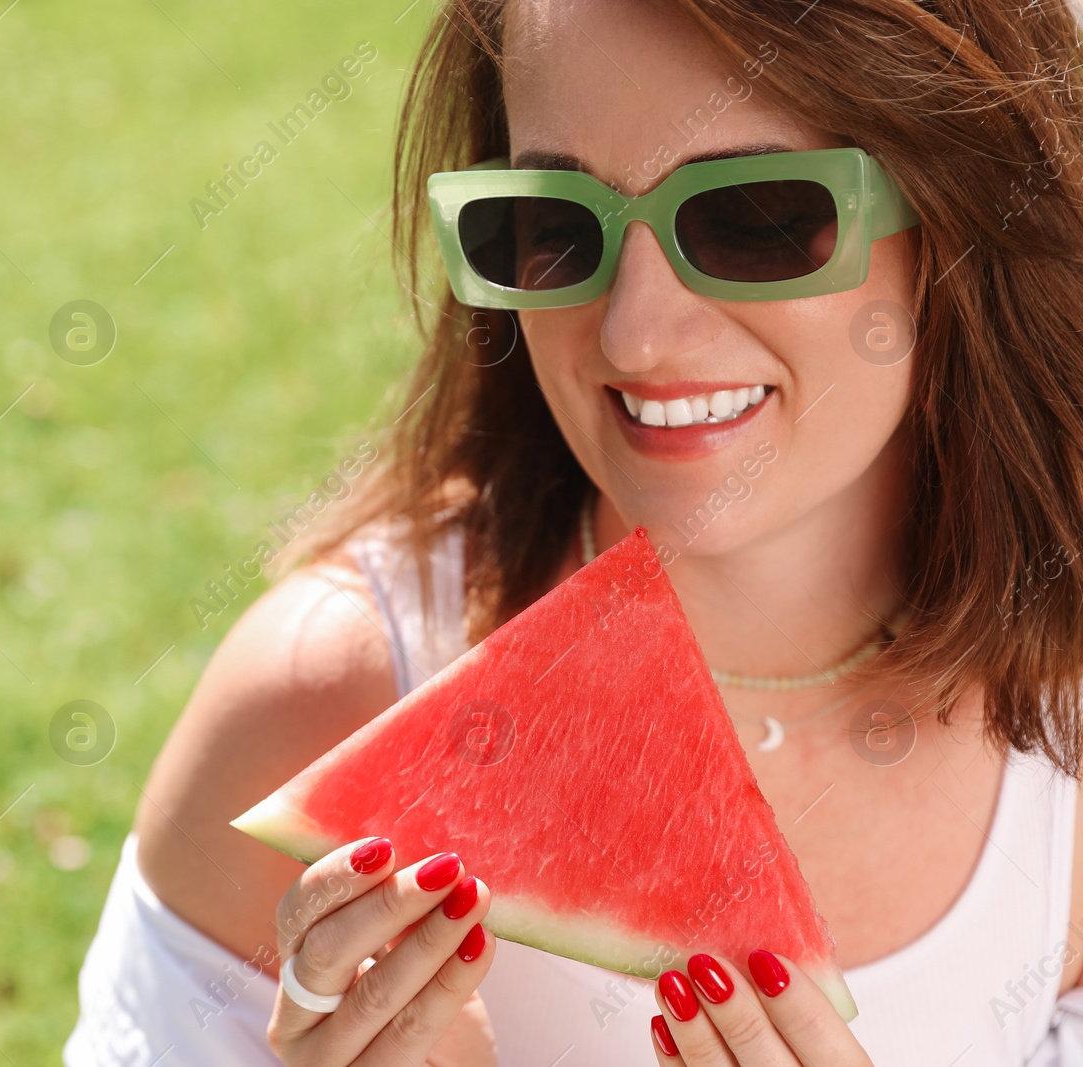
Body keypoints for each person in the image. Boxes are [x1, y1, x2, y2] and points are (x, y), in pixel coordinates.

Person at [65, 0, 1083, 1062]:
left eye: (758, 217)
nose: (634, 331)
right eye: (552, 225)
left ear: (970, 211)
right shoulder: (329, 690)